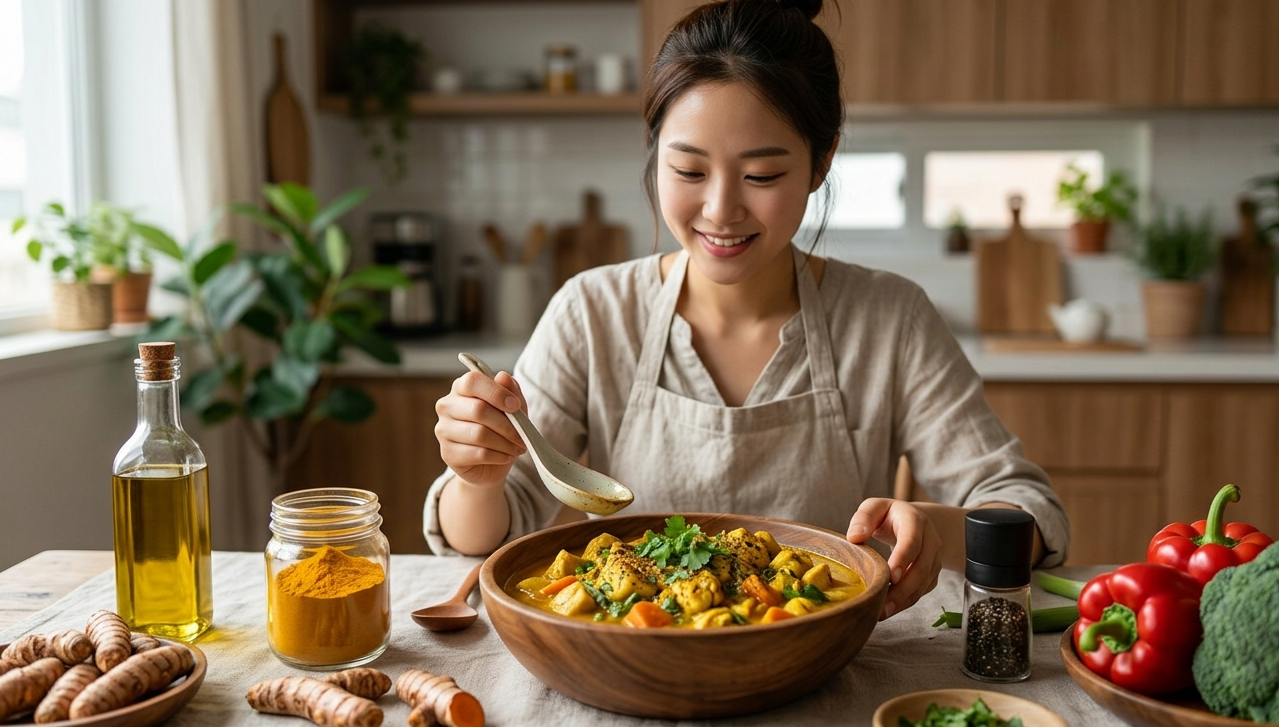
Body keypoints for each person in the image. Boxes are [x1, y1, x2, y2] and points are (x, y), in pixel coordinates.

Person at [427, 0, 1069, 620]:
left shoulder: (889, 319)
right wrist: (477, 475)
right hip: (630, 664)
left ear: (822, 162)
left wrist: (936, 527)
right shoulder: (592, 312)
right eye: (688, 170)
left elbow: (1033, 517)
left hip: (820, 666)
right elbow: (482, 542)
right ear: (654, 154)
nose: (721, 210)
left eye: (761, 177)